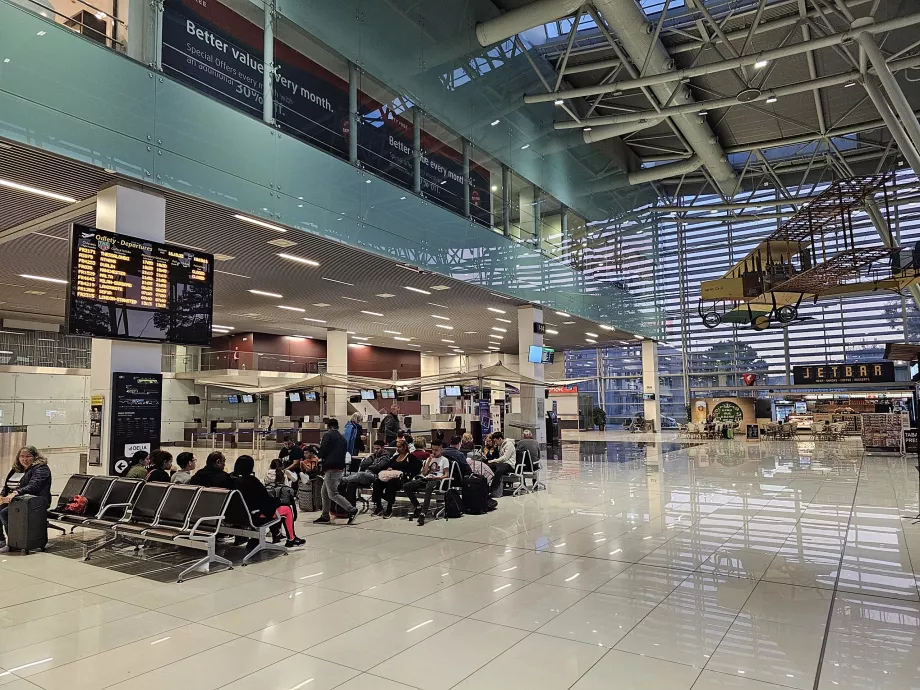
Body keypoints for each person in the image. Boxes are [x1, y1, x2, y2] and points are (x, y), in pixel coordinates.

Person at [231, 455, 304, 548]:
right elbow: (265, 501)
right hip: (253, 516)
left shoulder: (231, 479)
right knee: (286, 509)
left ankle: (255, 539)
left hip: (233, 516)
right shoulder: (252, 481)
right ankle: (291, 539)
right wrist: (278, 502)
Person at [0, 446, 52, 552]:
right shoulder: (16, 469)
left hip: (33, 501)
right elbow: (7, 486)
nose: (24, 459)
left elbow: (34, 486)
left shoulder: (41, 468)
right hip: (15, 500)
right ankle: (1, 541)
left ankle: (15, 542)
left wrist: (15, 493)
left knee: (5, 513)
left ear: (35, 457)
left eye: (28, 456)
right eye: (22, 456)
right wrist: (2, 497)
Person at [314, 418, 358, 525]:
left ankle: (351, 510)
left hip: (331, 468)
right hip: (339, 467)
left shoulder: (328, 435)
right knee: (324, 492)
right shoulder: (342, 438)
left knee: (333, 494)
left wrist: (318, 455)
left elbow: (323, 450)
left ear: (328, 426)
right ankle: (325, 516)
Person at [403, 440, 451, 525]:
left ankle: (423, 513)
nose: (434, 452)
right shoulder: (429, 458)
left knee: (429, 488)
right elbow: (424, 473)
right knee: (407, 486)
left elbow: (446, 475)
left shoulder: (444, 460)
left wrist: (437, 477)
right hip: (426, 478)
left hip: (437, 480)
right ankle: (417, 506)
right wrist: (428, 461)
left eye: (436, 450)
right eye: (433, 450)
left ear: (441, 449)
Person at [371, 439, 421, 518]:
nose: (397, 448)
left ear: (405, 447)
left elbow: (416, 468)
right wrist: (388, 469)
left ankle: (389, 508)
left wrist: (405, 473)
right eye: (397, 447)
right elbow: (389, 466)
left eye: (399, 447)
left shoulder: (410, 457)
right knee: (377, 482)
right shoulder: (395, 457)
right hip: (391, 476)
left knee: (391, 483)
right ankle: (379, 506)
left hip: (402, 479)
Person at [487, 431, 516, 497]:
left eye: (496, 441)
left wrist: (494, 460)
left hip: (509, 465)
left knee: (499, 471)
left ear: (500, 439)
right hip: (502, 464)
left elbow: (505, 457)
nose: (496, 443)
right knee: (489, 466)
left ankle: (491, 489)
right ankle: (484, 485)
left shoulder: (509, 445)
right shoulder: (500, 445)